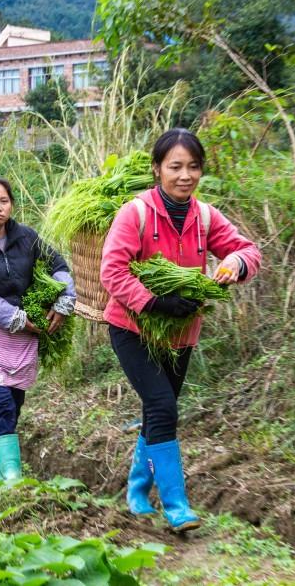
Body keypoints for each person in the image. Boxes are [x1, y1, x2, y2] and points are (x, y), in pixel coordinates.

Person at [100, 129, 261, 532]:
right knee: (162, 407)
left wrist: (236, 265)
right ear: (157, 170)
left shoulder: (205, 216)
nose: (184, 175)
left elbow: (248, 249)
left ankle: (137, 489)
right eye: (175, 167)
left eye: (193, 167)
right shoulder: (135, 213)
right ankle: (176, 505)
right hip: (133, 329)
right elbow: (112, 271)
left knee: (159, 412)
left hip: (180, 335)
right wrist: (154, 302)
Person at [0, 177, 76, 482]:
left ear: (12, 205)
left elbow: (58, 265)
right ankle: (12, 476)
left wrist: (64, 300)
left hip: (22, 337)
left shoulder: (27, 238)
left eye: (4, 201)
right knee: (0, 401)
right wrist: (16, 318)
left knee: (15, 403)